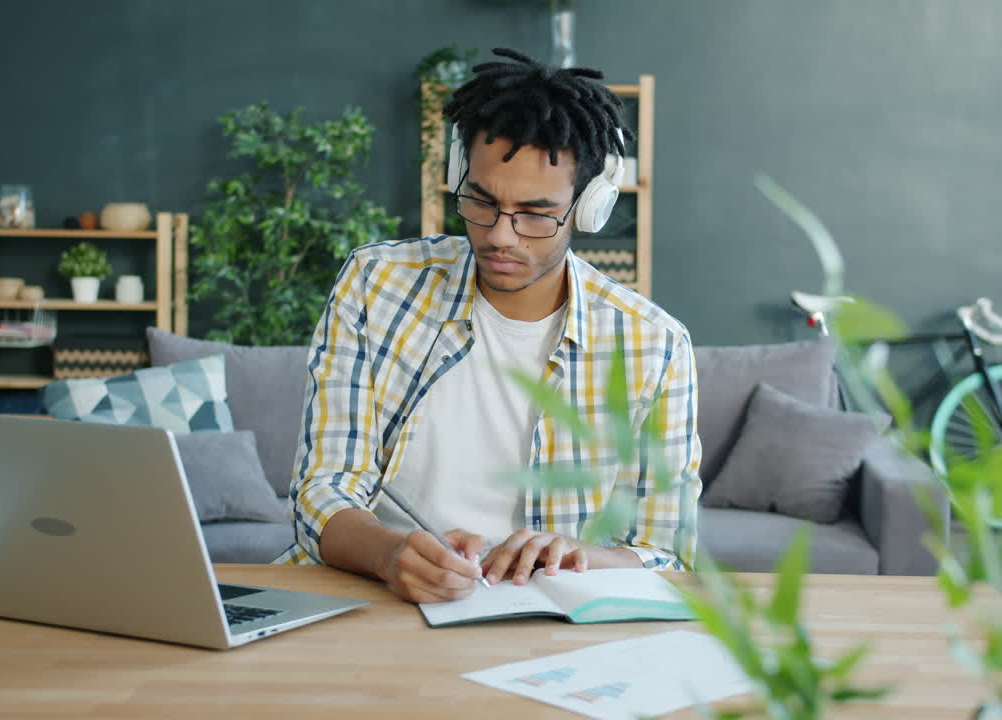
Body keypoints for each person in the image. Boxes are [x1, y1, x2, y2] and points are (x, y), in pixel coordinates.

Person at [276, 48, 701, 603]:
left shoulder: (655, 346)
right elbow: (321, 489)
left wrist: (576, 557)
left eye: (535, 213)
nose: (501, 235)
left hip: (543, 616)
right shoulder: (376, 283)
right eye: (481, 201)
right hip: (371, 595)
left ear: (590, 206)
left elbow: (667, 553)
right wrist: (389, 555)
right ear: (459, 177)